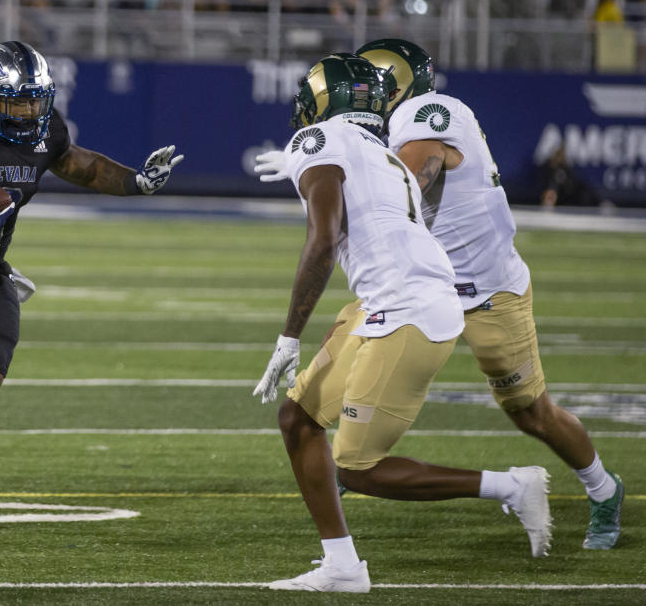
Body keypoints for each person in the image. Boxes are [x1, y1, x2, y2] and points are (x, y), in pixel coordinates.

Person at [250, 53, 551, 593]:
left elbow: (322, 240)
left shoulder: (321, 143)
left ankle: (510, 486)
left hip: (406, 307)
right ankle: (342, 565)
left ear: (325, 101)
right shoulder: (380, 152)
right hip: (397, 299)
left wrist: (288, 336)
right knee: (298, 419)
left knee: (357, 467)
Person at [0, 41, 183, 525]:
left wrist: (136, 182)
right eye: (16, 101)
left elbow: (79, 164)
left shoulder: (46, 133)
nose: (27, 112)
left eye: (35, 101)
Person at [351, 38, 623, 550]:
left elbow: (416, 171)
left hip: (487, 291)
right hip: (422, 287)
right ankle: (351, 458)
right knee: (351, 350)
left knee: (530, 413)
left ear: (395, 83)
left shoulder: (429, 111)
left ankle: (604, 489)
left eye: (367, 84)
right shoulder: (401, 122)